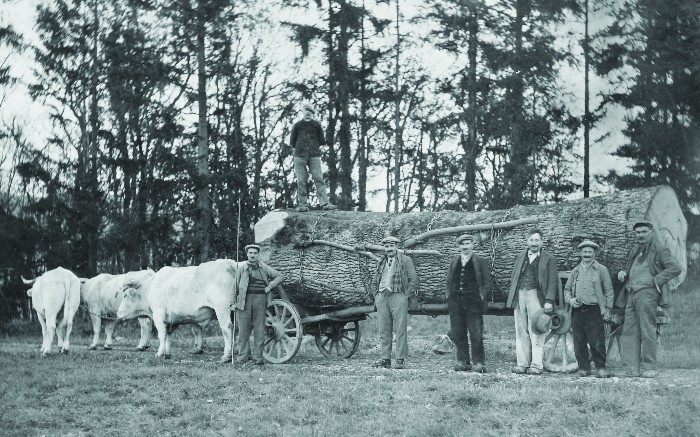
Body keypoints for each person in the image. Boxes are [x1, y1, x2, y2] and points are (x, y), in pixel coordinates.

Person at [616, 221, 681, 378]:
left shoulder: (660, 249)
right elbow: (631, 269)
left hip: (648, 294)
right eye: (638, 232)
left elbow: (675, 268)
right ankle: (631, 368)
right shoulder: (635, 250)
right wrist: (623, 274)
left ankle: (649, 367)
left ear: (651, 232)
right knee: (629, 331)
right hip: (631, 293)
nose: (641, 235)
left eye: (644, 232)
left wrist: (656, 280)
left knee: (647, 330)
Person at [505, 227, 559, 375]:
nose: (534, 243)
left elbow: (553, 281)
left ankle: (536, 365)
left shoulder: (549, 258)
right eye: (531, 240)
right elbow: (514, 276)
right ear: (527, 241)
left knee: (537, 329)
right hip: (520, 295)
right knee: (521, 330)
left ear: (542, 242)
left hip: (537, 296)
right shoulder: (521, 256)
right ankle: (522, 364)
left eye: (537, 240)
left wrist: (549, 300)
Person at [563, 240, 613, 378]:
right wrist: (570, 300)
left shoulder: (601, 270)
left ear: (594, 253)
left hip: (594, 310)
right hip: (578, 311)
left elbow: (609, 290)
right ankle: (584, 368)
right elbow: (567, 289)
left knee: (596, 341)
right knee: (579, 341)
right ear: (580, 253)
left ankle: (600, 368)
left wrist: (608, 309)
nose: (587, 254)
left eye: (590, 252)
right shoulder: (575, 271)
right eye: (584, 252)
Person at [445, 234, 494, 373]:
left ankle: (479, 362)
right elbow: (448, 281)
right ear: (458, 246)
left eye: (468, 244)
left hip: (474, 302)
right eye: (462, 244)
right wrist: (449, 296)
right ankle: (463, 361)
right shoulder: (454, 261)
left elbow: (487, 282)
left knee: (476, 333)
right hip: (456, 302)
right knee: (458, 332)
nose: (465, 247)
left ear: (473, 245)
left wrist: (480, 295)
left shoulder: (480, 261)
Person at [233, 244, 285, 365]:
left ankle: (257, 357)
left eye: (255, 253)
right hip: (243, 301)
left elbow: (280, 276)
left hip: (260, 300)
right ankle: (242, 357)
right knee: (243, 331)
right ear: (247, 254)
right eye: (250, 253)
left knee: (260, 330)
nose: (252, 255)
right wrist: (232, 303)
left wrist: (269, 287)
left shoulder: (264, 267)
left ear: (258, 255)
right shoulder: (241, 268)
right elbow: (234, 287)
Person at [371, 236, 417, 369]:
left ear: (397, 247)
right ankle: (385, 359)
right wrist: (377, 295)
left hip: (398, 296)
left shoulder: (406, 260)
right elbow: (375, 280)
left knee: (400, 329)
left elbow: (413, 279)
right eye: (386, 246)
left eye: (392, 246)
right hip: (382, 298)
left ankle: (400, 359)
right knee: (384, 330)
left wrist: (405, 295)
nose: (389, 249)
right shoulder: (381, 261)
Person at [290, 101, 337, 212]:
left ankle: (325, 203)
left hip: (314, 156)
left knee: (318, 178)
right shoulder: (297, 126)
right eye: (306, 110)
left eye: (310, 111)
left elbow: (321, 140)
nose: (308, 113)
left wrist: (313, 147)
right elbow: (292, 142)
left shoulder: (316, 125)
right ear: (302, 112)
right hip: (299, 156)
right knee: (301, 180)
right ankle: (303, 205)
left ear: (312, 113)